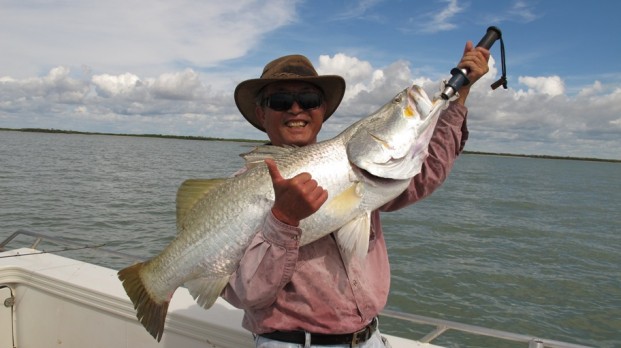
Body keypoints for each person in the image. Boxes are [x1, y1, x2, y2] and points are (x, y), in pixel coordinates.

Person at [221, 42, 490, 347]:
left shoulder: (363, 173)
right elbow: (247, 293)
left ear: (322, 109)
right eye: (281, 100)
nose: (296, 109)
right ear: (261, 112)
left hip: (368, 338)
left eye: (308, 99)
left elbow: (425, 173)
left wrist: (460, 96)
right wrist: (283, 220)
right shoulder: (236, 193)